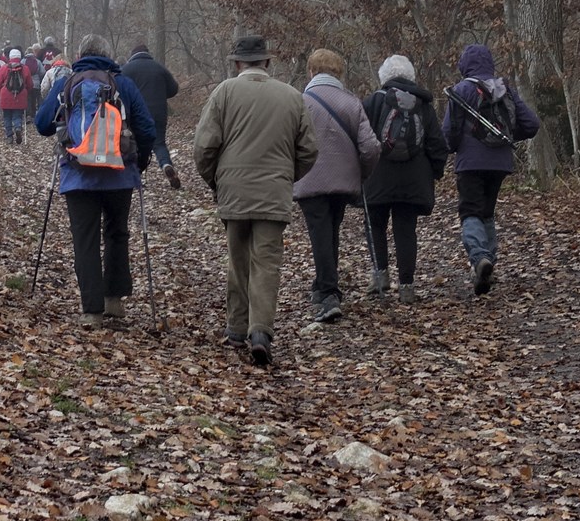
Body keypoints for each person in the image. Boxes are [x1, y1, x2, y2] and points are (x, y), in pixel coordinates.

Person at [187, 30, 318, 367]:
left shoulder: (224, 92)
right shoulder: (292, 96)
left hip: (234, 189)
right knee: (267, 264)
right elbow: (309, 150)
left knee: (238, 260)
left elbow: (204, 146)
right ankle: (260, 332)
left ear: (237, 64)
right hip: (274, 192)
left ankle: (235, 327)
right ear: (267, 62)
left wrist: (216, 180)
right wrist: (286, 176)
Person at [32, 35, 160, 328]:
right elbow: (147, 128)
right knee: (117, 233)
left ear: (79, 55)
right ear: (108, 54)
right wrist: (140, 162)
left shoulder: (67, 82)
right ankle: (114, 300)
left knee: (85, 239)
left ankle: (92, 311)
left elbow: (41, 125)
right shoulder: (123, 83)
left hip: (78, 174)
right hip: (119, 173)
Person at [440, 43, 540, 296]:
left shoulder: (461, 90)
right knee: (487, 211)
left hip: (470, 162)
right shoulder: (504, 89)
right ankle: (487, 265)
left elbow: (449, 131)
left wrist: (452, 148)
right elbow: (531, 124)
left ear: (464, 65)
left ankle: (480, 257)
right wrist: (506, 138)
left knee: (470, 211)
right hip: (500, 163)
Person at [292, 49, 381, 325]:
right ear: (339, 73)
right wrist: (361, 174)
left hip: (309, 178)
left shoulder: (300, 102)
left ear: (311, 71)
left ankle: (329, 293)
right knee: (330, 231)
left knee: (320, 233)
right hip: (343, 182)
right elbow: (371, 147)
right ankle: (323, 285)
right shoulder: (352, 102)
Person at [361, 54, 444, 300]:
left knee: (375, 224)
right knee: (406, 230)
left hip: (377, 177)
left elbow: (362, 139)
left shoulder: (373, 102)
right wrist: (434, 172)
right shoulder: (423, 104)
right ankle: (407, 287)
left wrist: (361, 170)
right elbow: (437, 144)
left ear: (383, 76)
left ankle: (380, 276)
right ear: (411, 76)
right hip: (413, 179)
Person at [120, 41, 182, 188]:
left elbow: (119, 90)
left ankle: (136, 175)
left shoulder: (127, 69)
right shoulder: (159, 67)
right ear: (148, 53)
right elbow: (174, 89)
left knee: (136, 143)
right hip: (159, 111)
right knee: (159, 143)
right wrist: (160, 94)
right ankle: (166, 164)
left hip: (137, 113)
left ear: (132, 55)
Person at [0, 46, 35, 145]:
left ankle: (9, 136)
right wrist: (26, 92)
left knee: (7, 117)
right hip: (20, 96)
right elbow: (30, 84)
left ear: (10, 57)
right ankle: (18, 128)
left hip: (6, 95)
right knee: (18, 115)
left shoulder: (4, 68)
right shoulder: (25, 68)